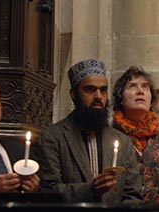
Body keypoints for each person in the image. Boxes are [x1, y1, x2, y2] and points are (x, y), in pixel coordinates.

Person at [34, 59, 142, 203]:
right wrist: (90, 190)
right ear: (73, 94)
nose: (98, 96)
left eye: (103, 90)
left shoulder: (123, 141)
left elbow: (132, 195)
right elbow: (48, 191)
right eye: (90, 89)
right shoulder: (53, 137)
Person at [112, 66, 159, 204]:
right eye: (132, 86)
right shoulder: (110, 134)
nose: (140, 91)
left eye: (145, 87)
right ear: (121, 97)